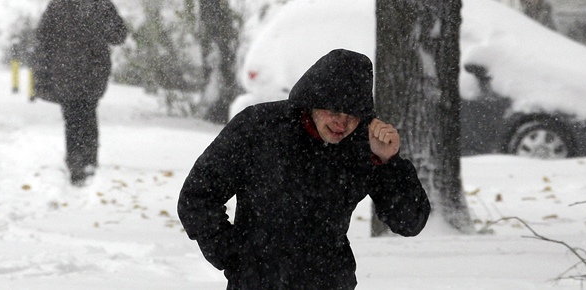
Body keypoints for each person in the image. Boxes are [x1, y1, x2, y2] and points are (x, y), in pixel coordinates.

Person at [178, 48, 431, 289]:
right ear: (312, 101)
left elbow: (409, 222)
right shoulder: (259, 127)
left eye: (352, 115)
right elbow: (197, 197)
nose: (341, 123)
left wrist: (389, 162)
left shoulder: (364, 146)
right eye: (333, 110)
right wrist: (234, 257)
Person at [33, 0, 128, 186]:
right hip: (94, 71)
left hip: (64, 71)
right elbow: (119, 36)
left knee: (71, 116)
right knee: (88, 113)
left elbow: (42, 37)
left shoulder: (57, 6)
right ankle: (89, 161)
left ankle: (75, 162)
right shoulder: (102, 5)